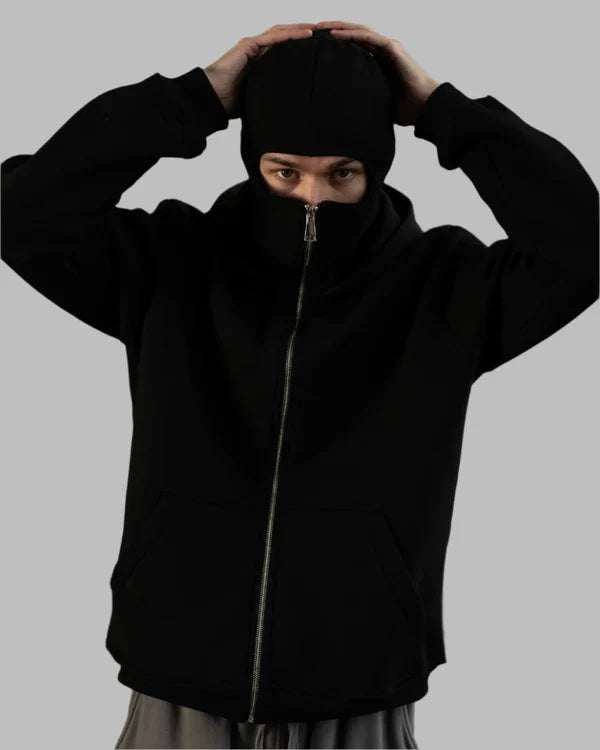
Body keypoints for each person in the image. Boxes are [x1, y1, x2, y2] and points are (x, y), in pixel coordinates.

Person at [1, 18, 597, 750]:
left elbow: (583, 247)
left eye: (342, 173)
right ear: (253, 160)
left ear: (377, 167)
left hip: (358, 685)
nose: (311, 196)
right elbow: (23, 216)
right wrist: (195, 98)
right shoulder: (169, 264)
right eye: (284, 171)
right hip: (178, 673)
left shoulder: (445, 288)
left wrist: (442, 109)